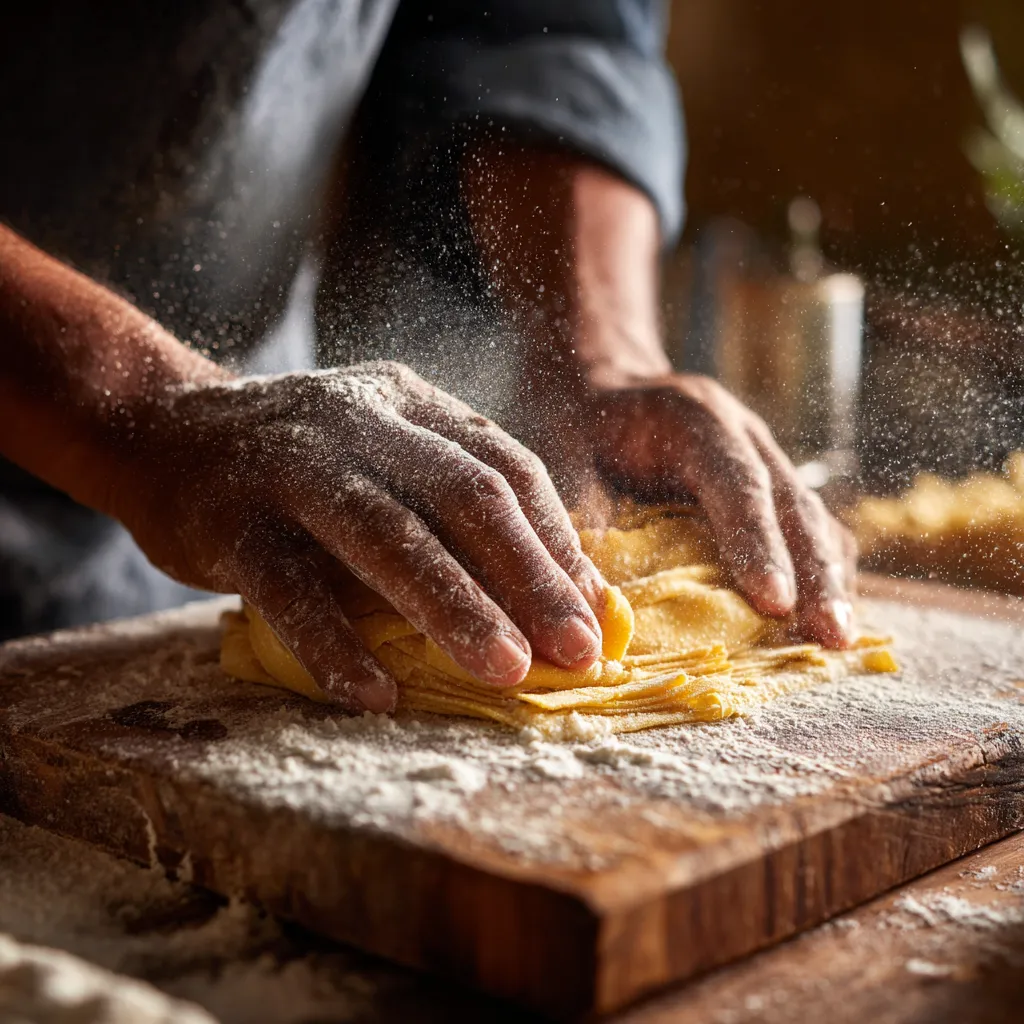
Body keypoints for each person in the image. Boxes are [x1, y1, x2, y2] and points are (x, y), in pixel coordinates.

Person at [0, 0, 855, 713]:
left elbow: (546, 24)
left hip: (241, 511)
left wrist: (598, 349)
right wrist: (141, 406)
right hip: (199, 429)